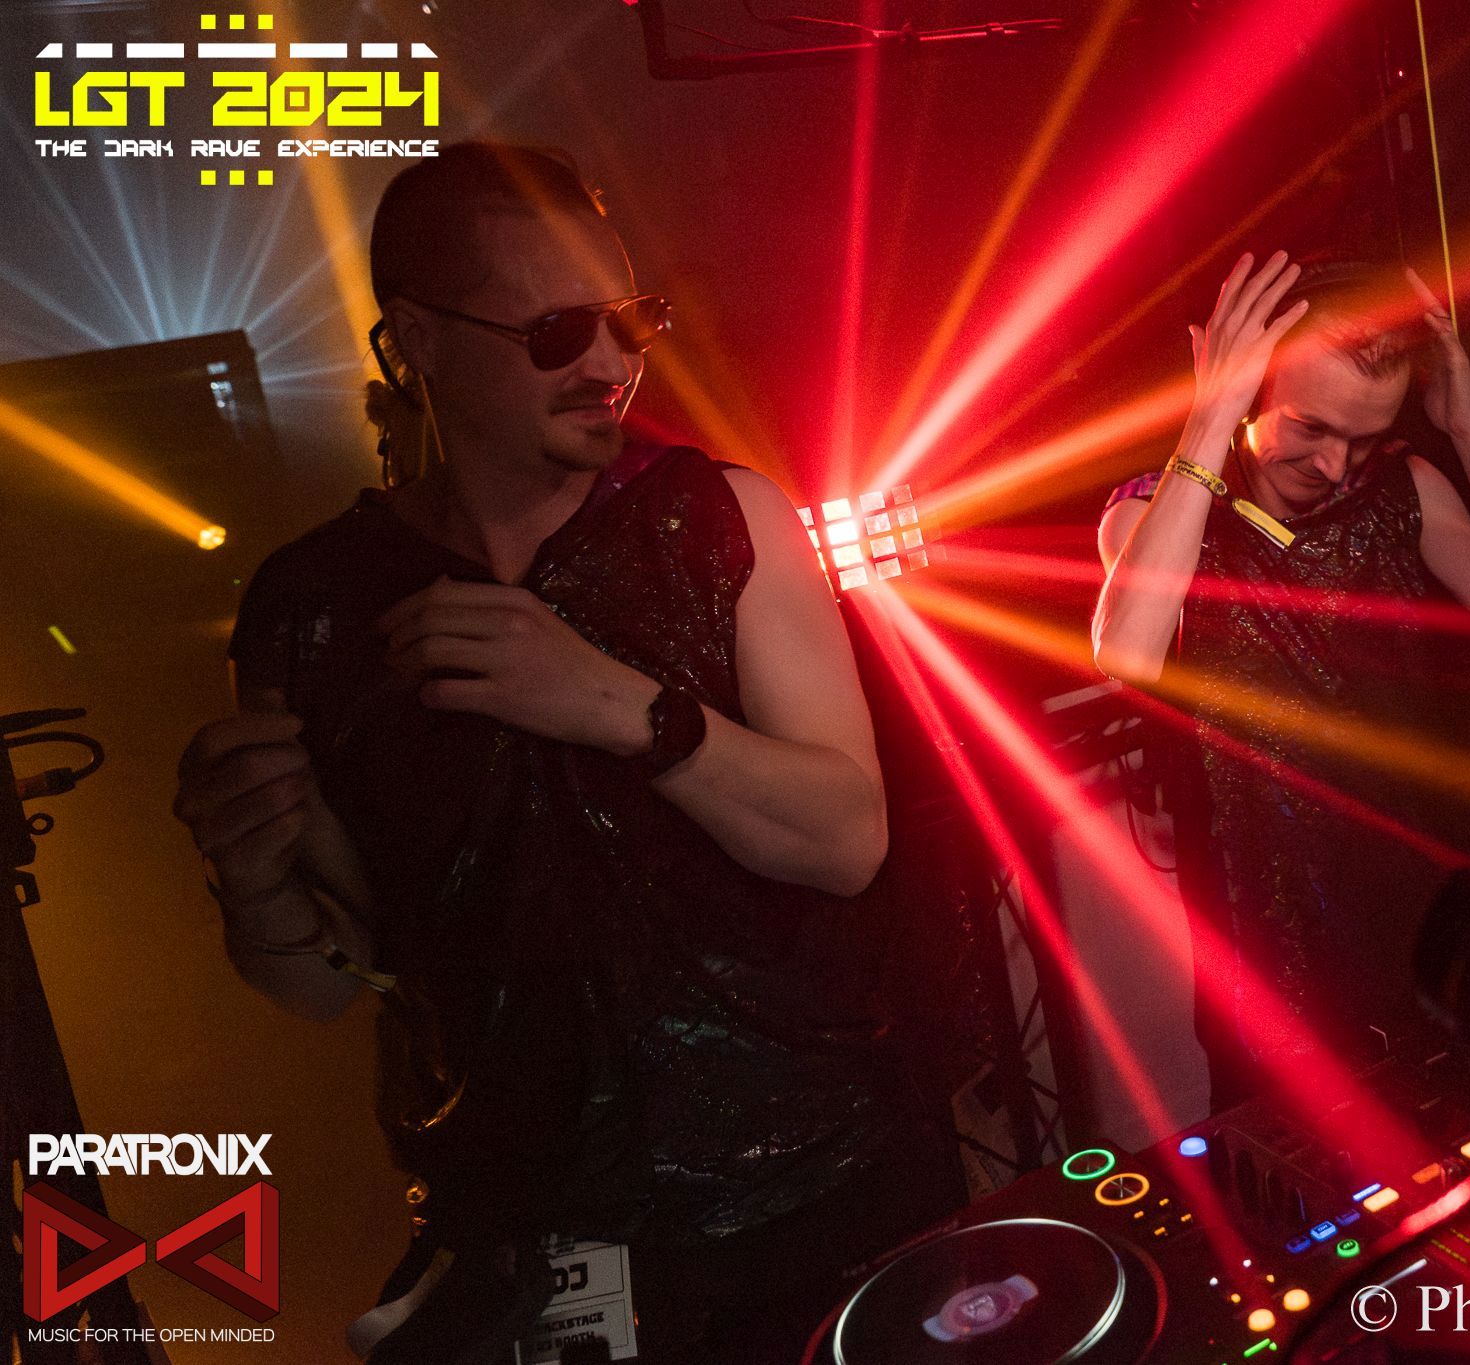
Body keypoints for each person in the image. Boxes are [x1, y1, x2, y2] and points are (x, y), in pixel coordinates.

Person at [171, 142, 960, 1363]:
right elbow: (334, 979)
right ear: (418, 343)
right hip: (535, 1235)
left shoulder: (718, 518)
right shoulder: (314, 609)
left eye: (625, 320)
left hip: (827, 1193)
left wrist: (615, 705)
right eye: (554, 332)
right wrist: (254, 884)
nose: (608, 363)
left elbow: (845, 840)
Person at [1092, 250, 1470, 1109]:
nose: (1335, 465)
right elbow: (1125, 655)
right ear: (1246, 388)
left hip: (1427, 923)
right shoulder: (1156, 511)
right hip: (1268, 961)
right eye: (1311, 427)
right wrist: (1206, 421)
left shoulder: (1403, 487)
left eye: (1361, 437)